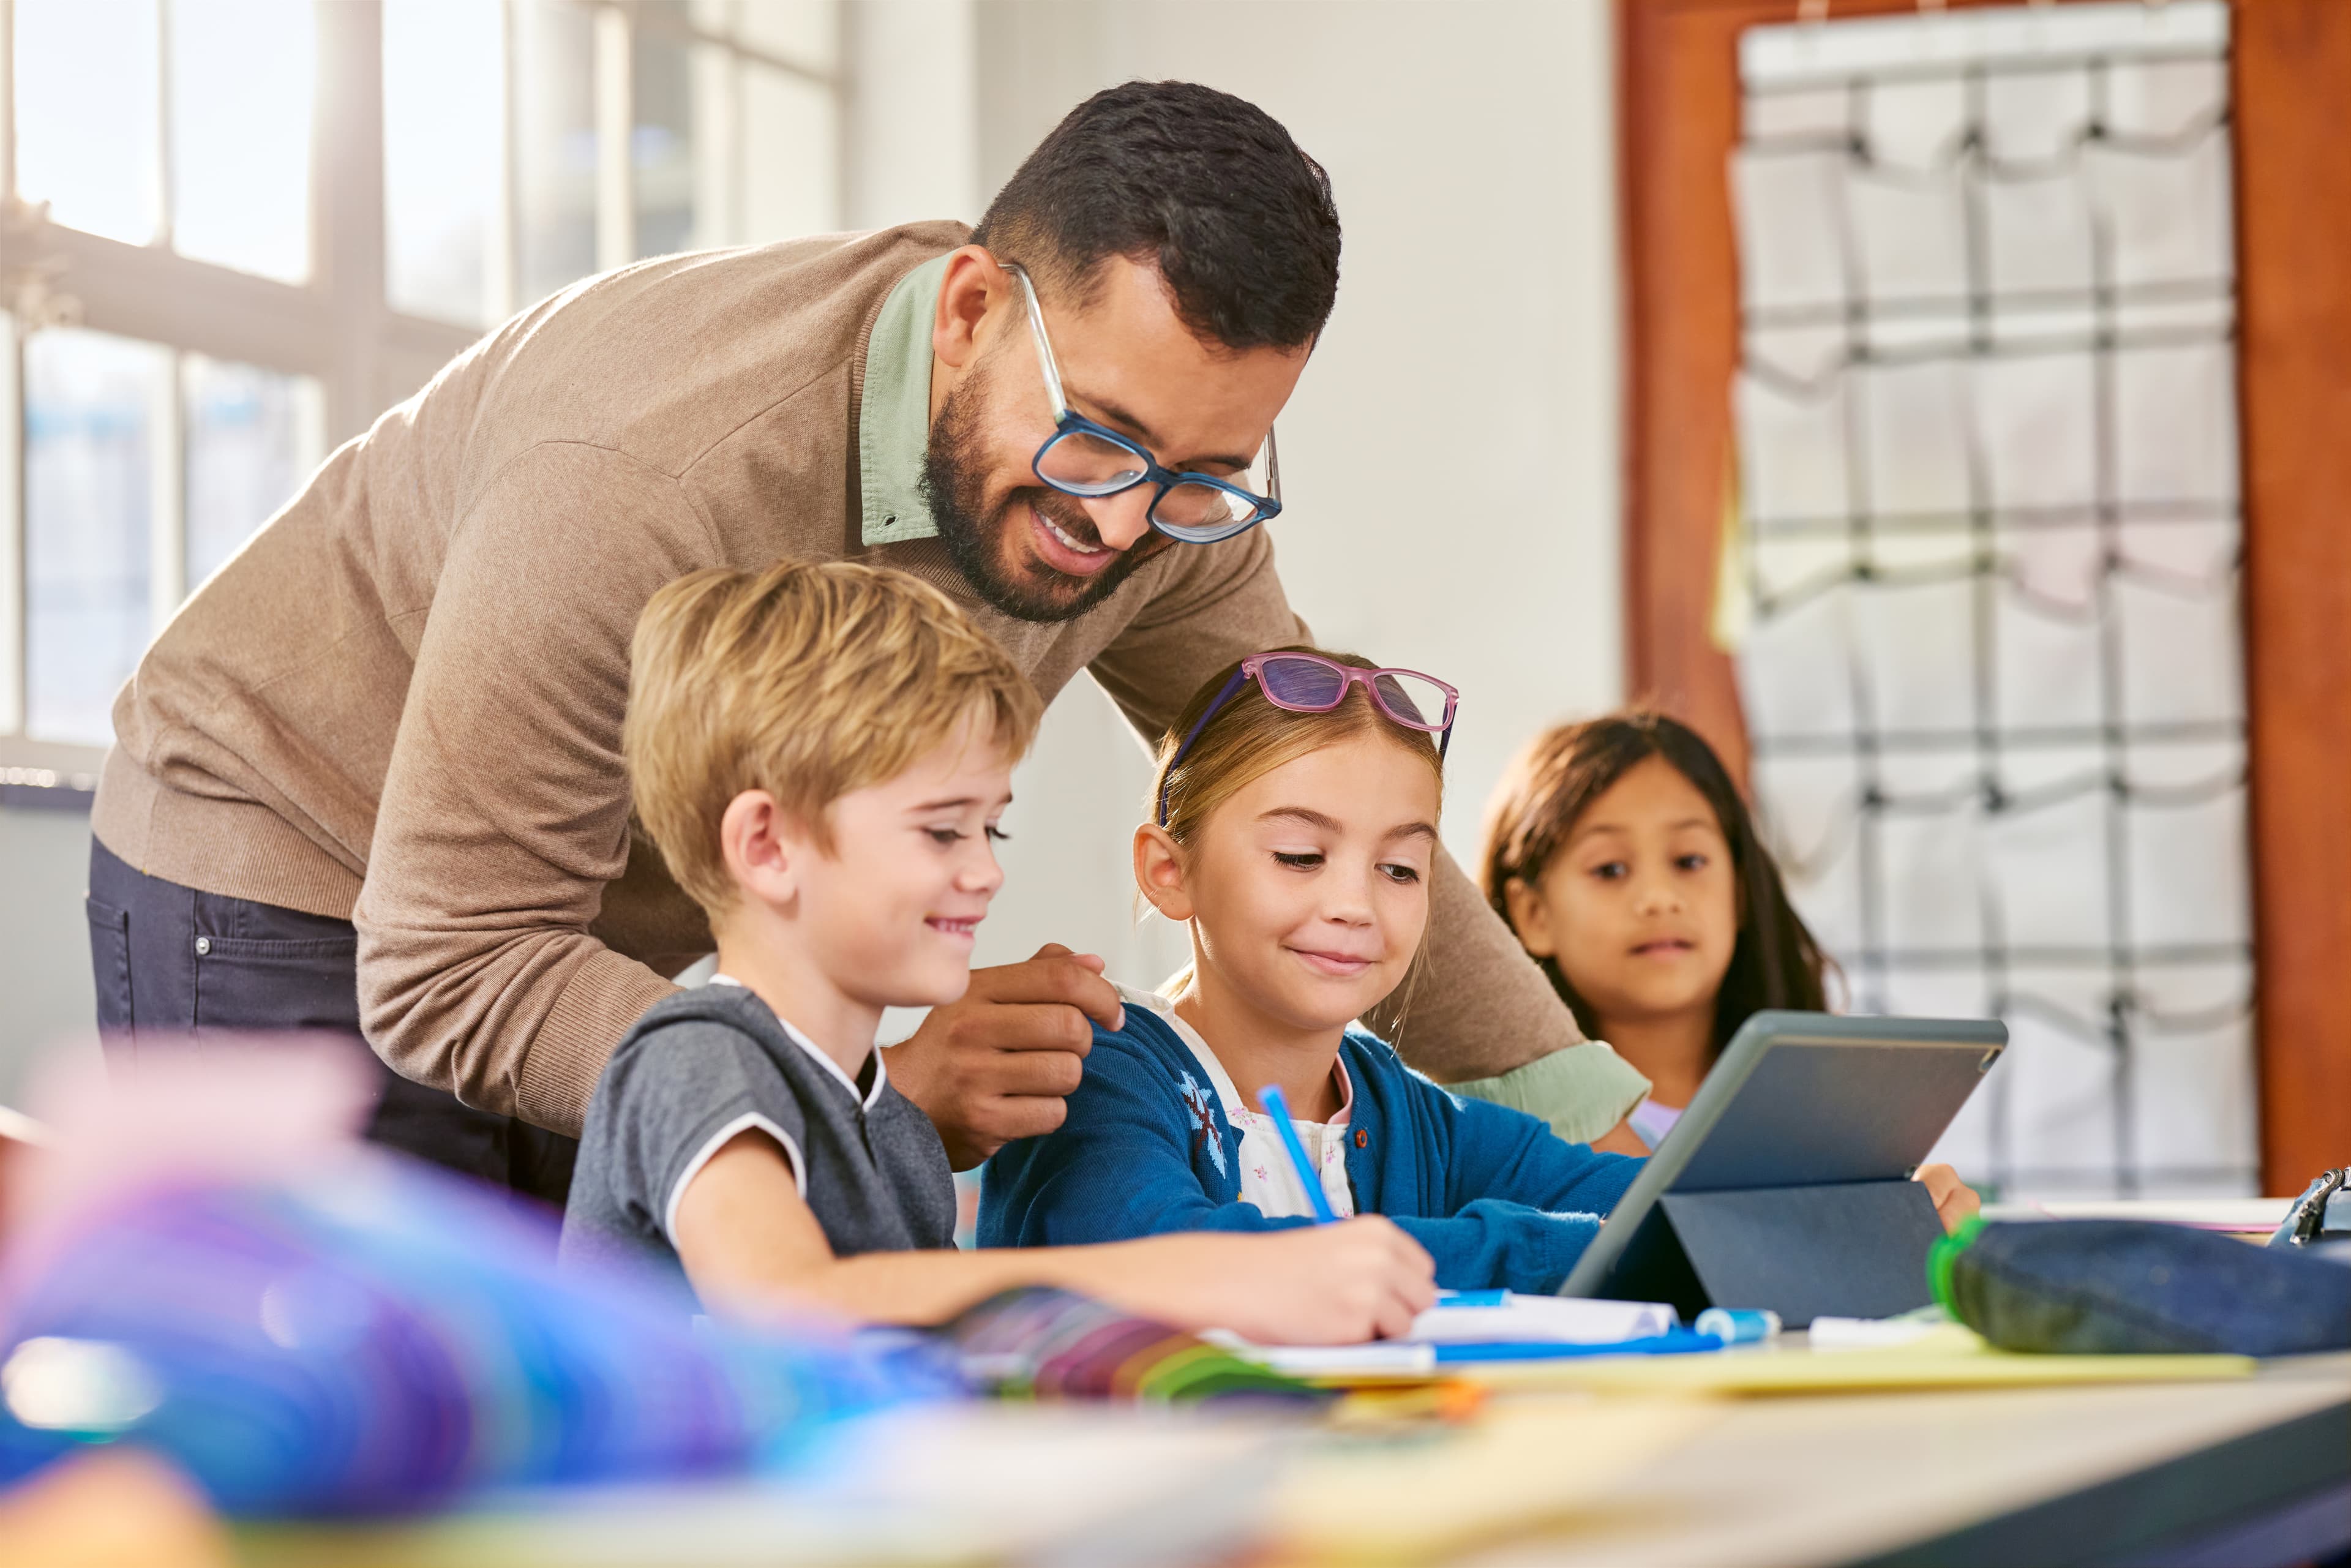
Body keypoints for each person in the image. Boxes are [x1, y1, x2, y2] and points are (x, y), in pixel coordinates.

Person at [87, 80, 1650, 1206]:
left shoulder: (1168, 511)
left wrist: (1618, 1128)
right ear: (969, 307)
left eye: (1203, 472)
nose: (1122, 527)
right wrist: (861, 1084)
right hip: (301, 856)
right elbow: (451, 958)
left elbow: (1326, 786)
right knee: (403, 1456)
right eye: (1099, 443)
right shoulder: (648, 463)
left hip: (593, 929)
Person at [560, 563, 1436, 1342]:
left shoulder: (893, 1127)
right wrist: (1199, 1275)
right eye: (943, 830)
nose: (985, 871)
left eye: (992, 826)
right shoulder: (694, 1058)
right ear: (766, 845)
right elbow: (795, 1300)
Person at [978, 650, 1646, 1294]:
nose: (1355, 906)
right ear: (1170, 872)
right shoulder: (1094, 1070)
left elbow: (1662, 1205)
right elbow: (1170, 1260)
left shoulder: (1409, 1115)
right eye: (1300, 855)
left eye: (1399, 868)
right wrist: (1544, 1247)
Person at [1478, 712, 1977, 1227]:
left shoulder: (1830, 1111)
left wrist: (1909, 1225)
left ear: (1740, 890)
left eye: (1690, 861)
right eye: (1610, 869)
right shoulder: (1518, 1132)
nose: (1659, 898)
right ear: (1532, 913)